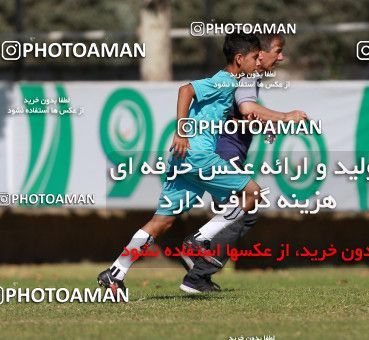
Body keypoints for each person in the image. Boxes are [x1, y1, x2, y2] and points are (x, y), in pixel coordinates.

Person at [97, 33, 262, 295]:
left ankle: (115, 272)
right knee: (252, 193)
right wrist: (182, 131)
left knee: (161, 221)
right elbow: (186, 90)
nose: (258, 61)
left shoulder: (229, 86)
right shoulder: (223, 81)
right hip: (199, 155)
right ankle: (199, 240)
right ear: (239, 59)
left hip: (185, 160)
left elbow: (212, 118)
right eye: (255, 57)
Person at [179, 33, 308, 294]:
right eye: (278, 51)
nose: (281, 57)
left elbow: (240, 114)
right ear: (260, 54)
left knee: (242, 211)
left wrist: (264, 122)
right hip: (226, 152)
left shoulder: (247, 77)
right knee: (246, 210)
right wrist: (285, 116)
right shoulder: (247, 77)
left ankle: (198, 269)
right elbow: (247, 108)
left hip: (223, 151)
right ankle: (197, 266)